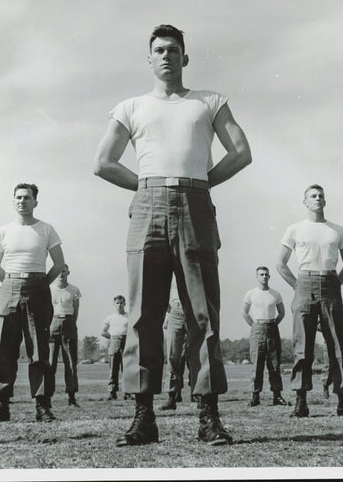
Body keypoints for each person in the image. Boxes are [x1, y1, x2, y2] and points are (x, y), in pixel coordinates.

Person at [94, 24, 252, 446]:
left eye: (174, 50)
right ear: (149, 59)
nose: (166, 56)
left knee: (203, 314)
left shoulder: (210, 102)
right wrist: (146, 186)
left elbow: (241, 152)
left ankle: (209, 418)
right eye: (159, 50)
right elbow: (103, 161)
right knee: (144, 313)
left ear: (186, 58)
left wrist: (201, 183)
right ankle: (143, 417)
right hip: (147, 208)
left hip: (195, 205)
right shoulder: (129, 107)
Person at [0, 183, 65, 424]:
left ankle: (42, 406)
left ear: (35, 201)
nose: (22, 201)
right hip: (9, 287)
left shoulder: (46, 229)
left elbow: (58, 263)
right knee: (5, 349)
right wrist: (10, 282)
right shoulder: (3, 231)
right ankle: (1, 406)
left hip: (38, 287)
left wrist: (41, 283)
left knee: (39, 351)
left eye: (27, 198)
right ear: (13, 201)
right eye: (18, 197)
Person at [276, 184, 343, 417]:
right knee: (303, 346)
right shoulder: (294, 229)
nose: (318, 199)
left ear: (325, 201)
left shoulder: (337, 230)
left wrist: (335, 284)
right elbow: (280, 264)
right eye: (313, 196)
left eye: (321, 196)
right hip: (304, 283)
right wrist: (297, 285)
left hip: (331, 284)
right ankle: (301, 401)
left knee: (338, 345)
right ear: (305, 202)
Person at [242, 267, 288, 407]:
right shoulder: (250, 294)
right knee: (257, 364)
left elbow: (281, 313)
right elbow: (244, 313)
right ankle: (255, 396)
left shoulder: (275, 294)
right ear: (256, 276)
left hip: (272, 327)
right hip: (257, 328)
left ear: (269, 276)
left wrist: (272, 324)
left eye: (266, 275)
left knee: (274, 364)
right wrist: (255, 326)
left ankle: (277, 396)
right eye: (261, 275)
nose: (264, 277)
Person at [49, 264, 82, 407]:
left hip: (68, 322)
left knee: (70, 362)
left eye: (64, 271)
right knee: (50, 363)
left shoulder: (74, 290)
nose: (61, 273)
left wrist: (71, 324)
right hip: (52, 323)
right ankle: (46, 398)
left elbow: (76, 311)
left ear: (68, 272)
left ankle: (72, 397)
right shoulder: (49, 289)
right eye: (59, 271)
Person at [160, 280, 193, 411]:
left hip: (193, 310)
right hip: (176, 310)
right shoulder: (171, 270)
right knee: (172, 355)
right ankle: (172, 396)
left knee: (196, 356)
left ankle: (199, 394)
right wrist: (173, 309)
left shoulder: (193, 264)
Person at [319, 307, 343, 399]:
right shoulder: (324, 310)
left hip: (341, 341)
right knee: (328, 366)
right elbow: (316, 324)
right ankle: (325, 386)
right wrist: (327, 331)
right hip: (328, 341)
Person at [100, 295, 130, 401]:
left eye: (121, 303)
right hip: (114, 342)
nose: (119, 305)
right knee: (113, 369)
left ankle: (128, 392)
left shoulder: (129, 316)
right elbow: (103, 332)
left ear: (125, 304)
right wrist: (113, 338)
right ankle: (112, 392)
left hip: (127, 342)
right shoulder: (110, 317)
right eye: (117, 303)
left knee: (126, 368)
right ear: (114, 304)